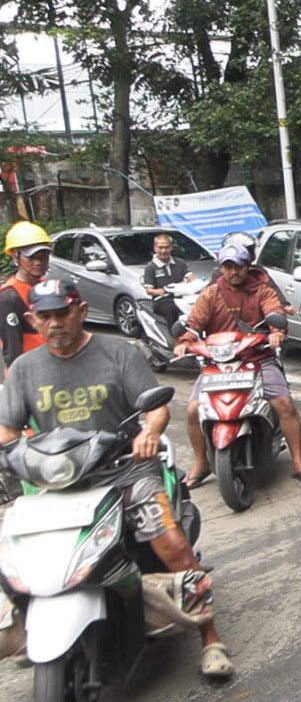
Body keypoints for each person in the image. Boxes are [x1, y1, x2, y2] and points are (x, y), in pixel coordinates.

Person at [0, 279, 233, 678]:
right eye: (45, 316)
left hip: (124, 469)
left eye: (62, 313)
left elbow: (155, 409)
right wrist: (17, 454)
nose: (54, 323)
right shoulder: (24, 368)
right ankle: (24, 627)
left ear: (82, 311)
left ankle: (210, 636)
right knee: (13, 555)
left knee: (171, 542)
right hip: (57, 480)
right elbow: (7, 431)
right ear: (31, 319)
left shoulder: (117, 352)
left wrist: (149, 432)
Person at [174, 243, 301, 483]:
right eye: (227, 267)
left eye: (238, 267)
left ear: (247, 267)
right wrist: (184, 341)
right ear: (221, 269)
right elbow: (194, 323)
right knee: (192, 410)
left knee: (284, 404)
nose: (233, 272)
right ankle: (201, 462)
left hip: (257, 359)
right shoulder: (211, 293)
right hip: (217, 365)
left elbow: (275, 313)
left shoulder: (262, 290)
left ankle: (297, 461)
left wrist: (275, 332)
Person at [0, 220, 53, 373]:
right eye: (32, 257)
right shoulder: (9, 298)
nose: (39, 262)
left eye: (43, 256)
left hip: (53, 369)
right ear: (16, 257)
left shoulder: (46, 286)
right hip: (30, 374)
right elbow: (12, 350)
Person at [215, 231, 297, 315]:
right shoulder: (217, 279)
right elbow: (205, 305)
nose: (234, 272)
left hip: (256, 321)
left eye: (240, 267)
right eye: (228, 267)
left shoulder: (259, 273)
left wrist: (284, 305)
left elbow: (273, 291)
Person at [143, 233, 198, 324]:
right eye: (160, 247)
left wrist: (198, 284)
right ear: (155, 248)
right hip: (162, 301)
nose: (163, 251)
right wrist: (161, 291)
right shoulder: (151, 267)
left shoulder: (180, 263)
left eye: (166, 247)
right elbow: (149, 290)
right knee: (172, 310)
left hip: (182, 297)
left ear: (171, 247)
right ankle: (173, 336)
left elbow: (192, 278)